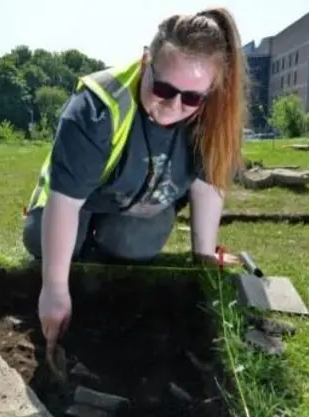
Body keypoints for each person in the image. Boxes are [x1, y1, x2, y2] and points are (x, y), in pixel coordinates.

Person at [22, 9, 248, 350]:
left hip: (140, 209)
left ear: (210, 92)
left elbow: (208, 185)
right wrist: (54, 289)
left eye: (191, 98)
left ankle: (104, 262)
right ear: (146, 62)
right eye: (163, 88)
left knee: (136, 245)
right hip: (82, 200)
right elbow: (65, 202)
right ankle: (81, 255)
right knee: (42, 240)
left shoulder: (214, 117)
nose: (173, 106)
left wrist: (202, 259)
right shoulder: (95, 108)